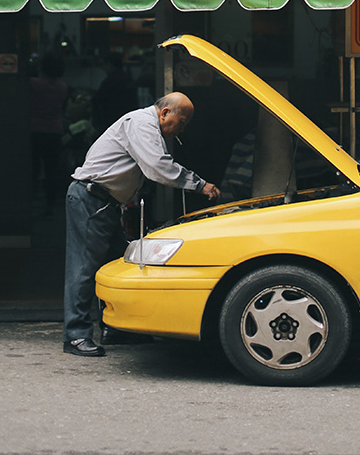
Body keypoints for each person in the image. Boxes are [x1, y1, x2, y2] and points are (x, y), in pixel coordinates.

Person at [63, 92, 221, 357]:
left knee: (116, 264)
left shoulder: (145, 125)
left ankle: (115, 328)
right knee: (84, 268)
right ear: (165, 113)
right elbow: (156, 167)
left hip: (104, 203)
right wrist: (199, 184)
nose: (182, 129)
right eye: (182, 122)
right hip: (91, 199)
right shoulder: (141, 123)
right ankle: (75, 336)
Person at [29, 52, 70, 216]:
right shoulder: (63, 87)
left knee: (33, 168)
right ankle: (50, 205)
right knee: (51, 170)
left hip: (34, 129)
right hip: (54, 130)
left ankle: (31, 202)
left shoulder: (33, 84)